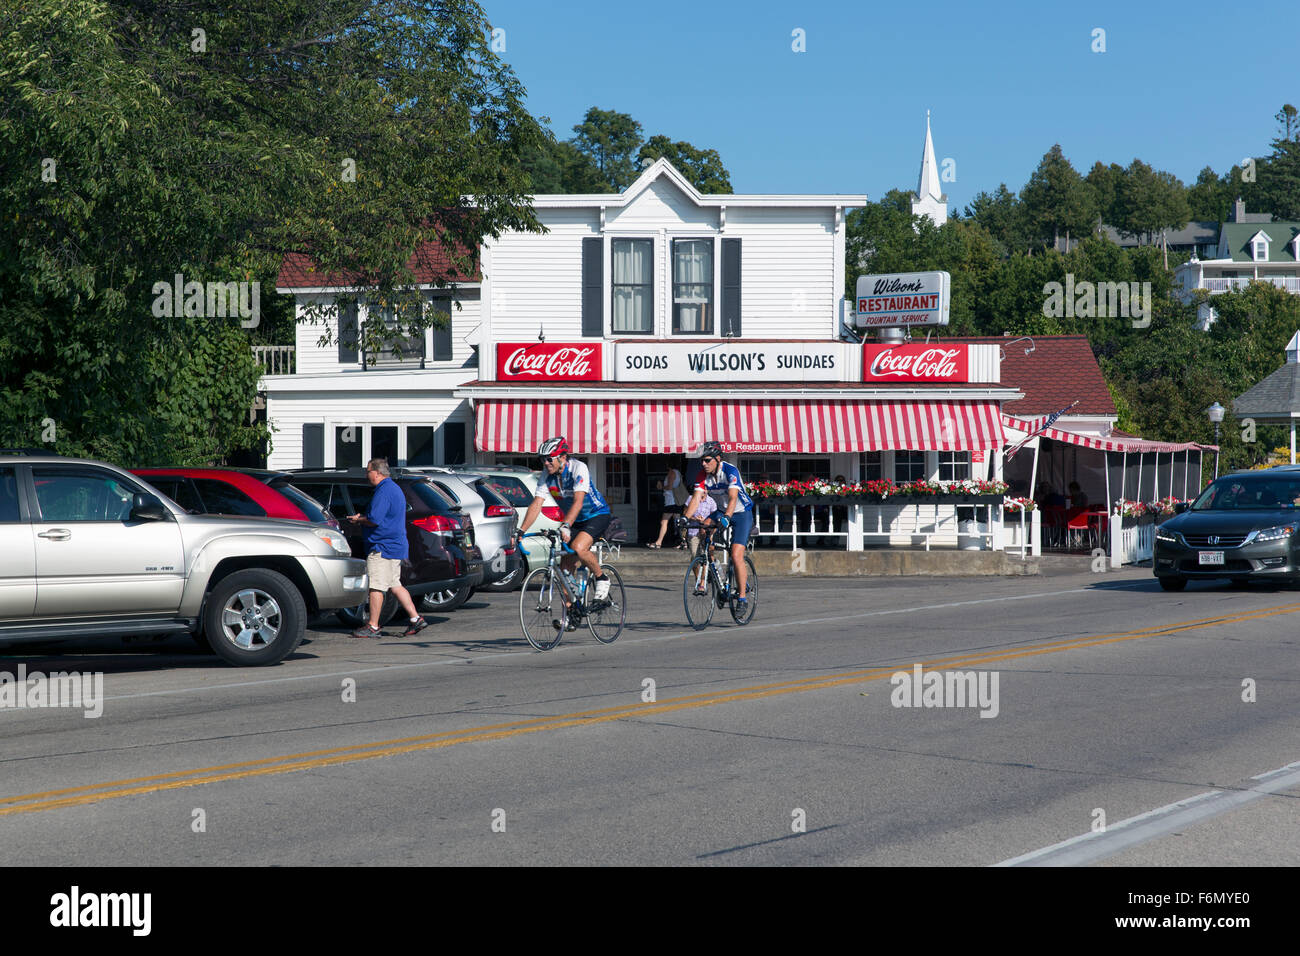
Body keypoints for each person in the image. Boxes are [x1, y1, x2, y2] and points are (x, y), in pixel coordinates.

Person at [517, 436, 613, 630]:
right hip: (575, 520)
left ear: (563, 456)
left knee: (578, 547)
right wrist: (521, 530)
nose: (545, 462)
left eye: (549, 458)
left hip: (596, 515)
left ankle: (602, 578)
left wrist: (566, 525)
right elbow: (537, 503)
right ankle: (572, 614)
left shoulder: (579, 468)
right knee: (564, 569)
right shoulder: (547, 474)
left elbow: (578, 501)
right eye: (542, 458)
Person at [346, 458, 427, 638]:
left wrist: (358, 519)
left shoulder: (383, 491)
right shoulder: (394, 489)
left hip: (382, 545)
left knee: (376, 586)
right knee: (395, 584)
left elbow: (374, 519)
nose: (367, 475)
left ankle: (373, 625)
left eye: (368, 471)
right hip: (395, 544)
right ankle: (415, 618)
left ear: (377, 472)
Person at [684, 441, 754, 608]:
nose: (703, 464)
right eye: (702, 460)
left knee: (736, 554)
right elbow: (695, 499)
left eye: (707, 460)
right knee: (704, 528)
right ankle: (713, 565)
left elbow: (733, 498)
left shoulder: (730, 471)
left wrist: (727, 517)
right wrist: (685, 517)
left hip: (741, 513)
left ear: (717, 459)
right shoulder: (702, 475)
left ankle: (742, 598)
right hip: (721, 511)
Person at [649, 463, 684, 549]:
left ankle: (658, 542)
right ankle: (684, 541)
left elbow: (670, 487)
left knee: (664, 522)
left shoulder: (672, 472)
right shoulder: (678, 473)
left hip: (671, 501)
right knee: (678, 522)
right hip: (675, 500)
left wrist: (661, 487)